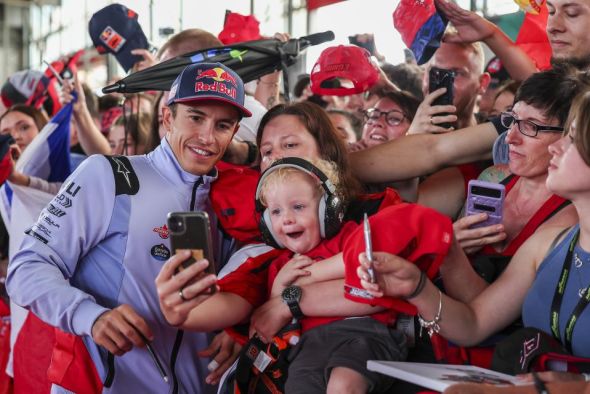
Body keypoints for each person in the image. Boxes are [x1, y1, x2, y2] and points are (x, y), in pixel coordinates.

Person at [6, 62, 250, 392]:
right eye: (195, 117)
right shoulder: (109, 175)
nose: (207, 137)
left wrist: (238, 329)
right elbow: (27, 268)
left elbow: (249, 283)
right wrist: (89, 316)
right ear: (167, 117)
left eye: (222, 125)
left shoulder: (238, 199)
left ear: (234, 133)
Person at [356, 87, 590, 383]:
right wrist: (418, 287)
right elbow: (474, 323)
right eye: (512, 122)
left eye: (571, 139)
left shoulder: (553, 230)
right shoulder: (551, 243)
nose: (557, 147)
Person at [156, 157, 406, 394]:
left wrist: (309, 278)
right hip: (311, 347)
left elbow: (372, 272)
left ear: (328, 209)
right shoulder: (277, 266)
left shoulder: (351, 236)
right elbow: (270, 319)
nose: (286, 218)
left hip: (365, 334)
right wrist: (277, 291)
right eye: (275, 212)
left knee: (343, 384)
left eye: (298, 207)